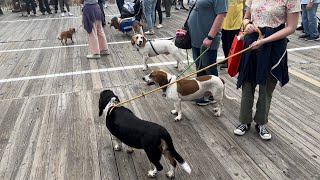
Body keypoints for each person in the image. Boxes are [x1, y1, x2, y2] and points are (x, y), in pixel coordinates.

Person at [233, 0, 300, 140]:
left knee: (266, 85)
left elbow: (291, 28)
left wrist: (264, 41)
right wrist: (248, 25)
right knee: (247, 81)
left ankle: (261, 122)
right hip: (252, 41)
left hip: (273, 45)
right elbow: (246, 18)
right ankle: (244, 121)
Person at [188, 0, 228, 105]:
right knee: (199, 67)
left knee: (209, 67)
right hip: (196, 38)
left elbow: (221, 15)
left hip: (208, 39)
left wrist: (210, 36)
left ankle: (213, 95)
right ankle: (201, 93)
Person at [220, 0, 246, 69]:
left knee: (232, 44)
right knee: (224, 42)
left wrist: (245, 20)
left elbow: (246, 6)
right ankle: (226, 58)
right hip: (224, 21)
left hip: (236, 22)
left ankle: (231, 61)